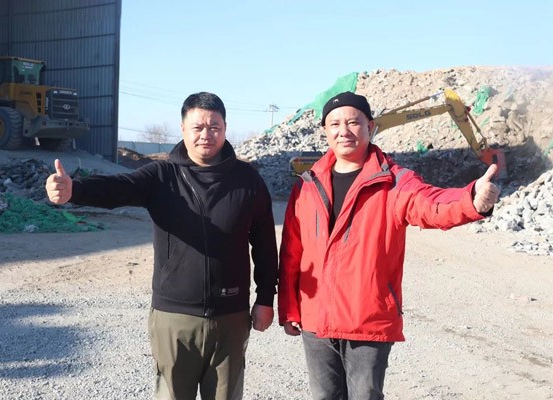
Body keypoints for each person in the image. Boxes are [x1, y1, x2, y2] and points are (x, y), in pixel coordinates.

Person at [46, 92, 278, 400]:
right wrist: (74, 191)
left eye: (214, 127)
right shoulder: (162, 176)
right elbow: (120, 188)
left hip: (231, 316)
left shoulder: (248, 180)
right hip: (173, 317)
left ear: (225, 128)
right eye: (198, 127)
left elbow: (264, 243)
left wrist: (265, 298)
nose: (206, 134)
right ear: (183, 129)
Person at [278, 91, 500, 400]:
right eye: (335, 124)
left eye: (353, 122)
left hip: (367, 319)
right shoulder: (307, 185)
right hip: (316, 320)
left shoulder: (393, 182)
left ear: (369, 127)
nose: (344, 131)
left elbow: (431, 204)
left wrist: (471, 199)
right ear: (325, 130)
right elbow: (292, 252)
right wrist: (289, 306)